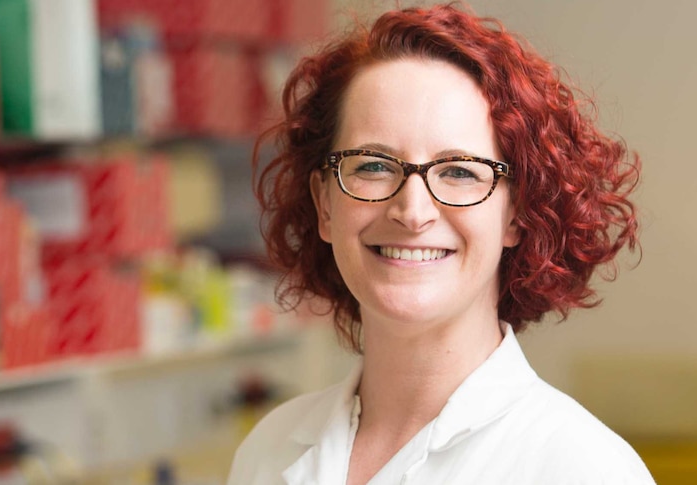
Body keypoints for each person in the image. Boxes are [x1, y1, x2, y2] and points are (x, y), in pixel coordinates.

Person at [228, 3, 654, 484]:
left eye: (458, 172)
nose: (413, 212)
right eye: (373, 165)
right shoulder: (267, 452)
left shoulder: (581, 468)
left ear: (517, 213)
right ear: (325, 204)